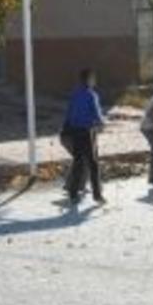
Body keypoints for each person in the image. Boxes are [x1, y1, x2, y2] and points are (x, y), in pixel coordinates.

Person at [63, 69, 106, 204]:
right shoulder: (91, 95)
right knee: (93, 163)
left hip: (74, 131)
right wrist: (101, 123)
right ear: (88, 79)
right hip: (87, 131)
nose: (95, 81)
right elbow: (96, 112)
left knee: (78, 162)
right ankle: (97, 195)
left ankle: (73, 193)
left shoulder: (74, 94)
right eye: (93, 78)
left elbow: (69, 112)